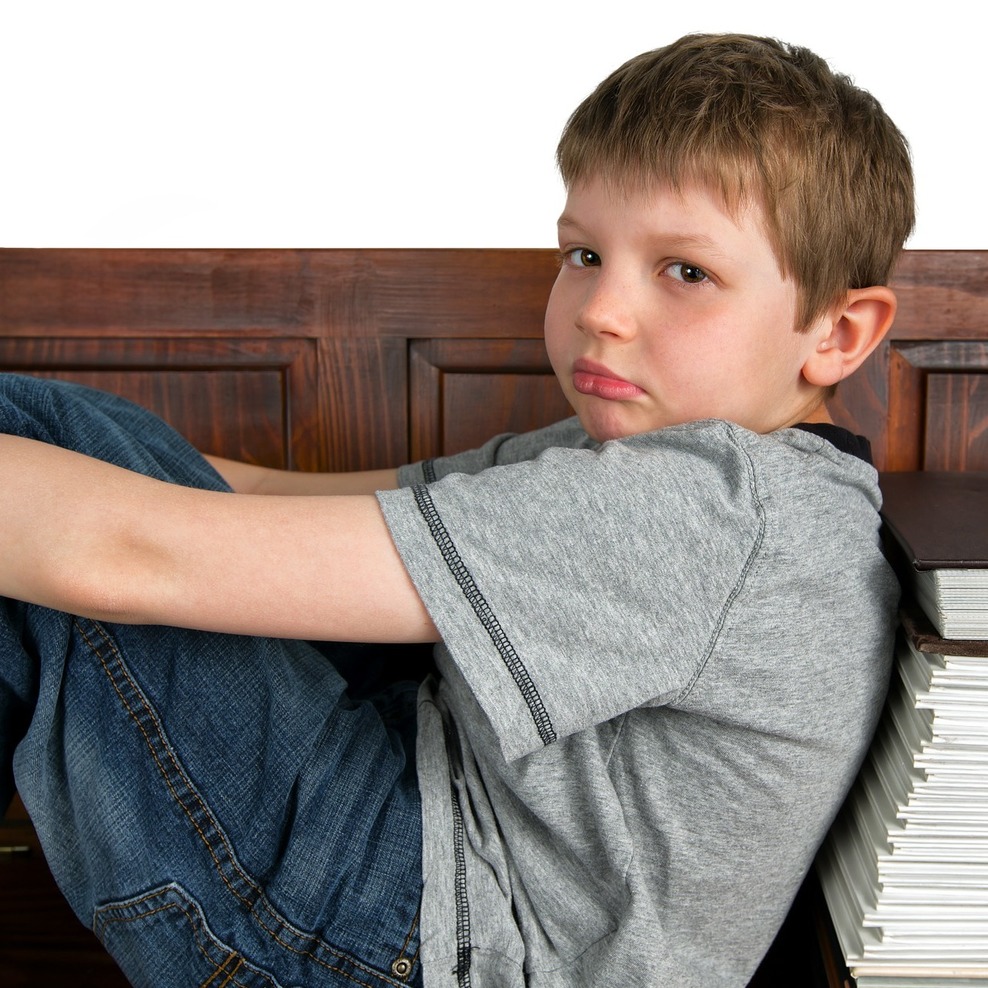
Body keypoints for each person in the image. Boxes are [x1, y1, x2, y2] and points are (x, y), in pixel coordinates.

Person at [0, 32, 913, 988]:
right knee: (63, 448)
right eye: (585, 253)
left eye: (685, 271)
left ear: (839, 332)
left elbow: (129, 555)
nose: (601, 309)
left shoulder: (711, 508)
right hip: (425, 827)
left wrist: (96, 480)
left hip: (435, 941)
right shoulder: (648, 458)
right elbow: (281, 498)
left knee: (61, 479)